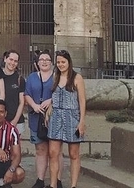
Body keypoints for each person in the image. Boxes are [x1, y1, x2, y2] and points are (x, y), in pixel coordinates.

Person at [47, 50, 85, 188]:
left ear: (69, 62)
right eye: (58, 62)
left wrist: (82, 121)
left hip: (72, 117)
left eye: (63, 62)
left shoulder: (77, 78)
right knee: (53, 153)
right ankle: (53, 184)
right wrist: (51, 104)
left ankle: (73, 185)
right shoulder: (55, 76)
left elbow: (82, 101)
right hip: (56, 116)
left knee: (74, 153)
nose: (61, 64)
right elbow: (54, 94)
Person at [23, 51, 54, 188]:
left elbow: (63, 92)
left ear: (51, 62)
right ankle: (40, 179)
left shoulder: (57, 77)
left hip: (54, 118)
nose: (44, 61)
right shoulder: (31, 77)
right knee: (40, 150)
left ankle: (56, 181)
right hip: (36, 116)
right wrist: (34, 105)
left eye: (47, 59)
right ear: (37, 63)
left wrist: (51, 100)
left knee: (55, 151)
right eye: (42, 59)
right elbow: (27, 94)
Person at [2, 51, 26, 135]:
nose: (12, 63)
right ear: (5, 59)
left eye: (15, 61)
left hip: (16, 121)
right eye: (11, 59)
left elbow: (21, 102)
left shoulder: (20, 79)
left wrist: (14, 121)